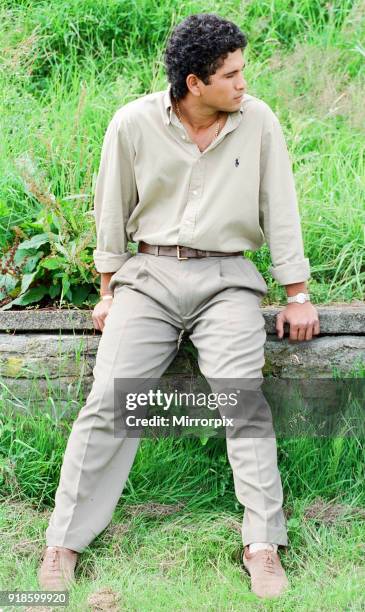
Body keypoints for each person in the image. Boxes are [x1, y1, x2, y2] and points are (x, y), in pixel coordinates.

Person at [39, 13, 320, 600]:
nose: (244, 83)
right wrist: (109, 289)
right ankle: (62, 543)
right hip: (150, 275)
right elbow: (111, 209)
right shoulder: (133, 124)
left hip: (228, 280)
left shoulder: (258, 120)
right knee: (111, 397)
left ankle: (262, 546)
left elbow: (281, 205)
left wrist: (297, 293)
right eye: (231, 74)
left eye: (243, 71)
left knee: (242, 399)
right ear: (195, 83)